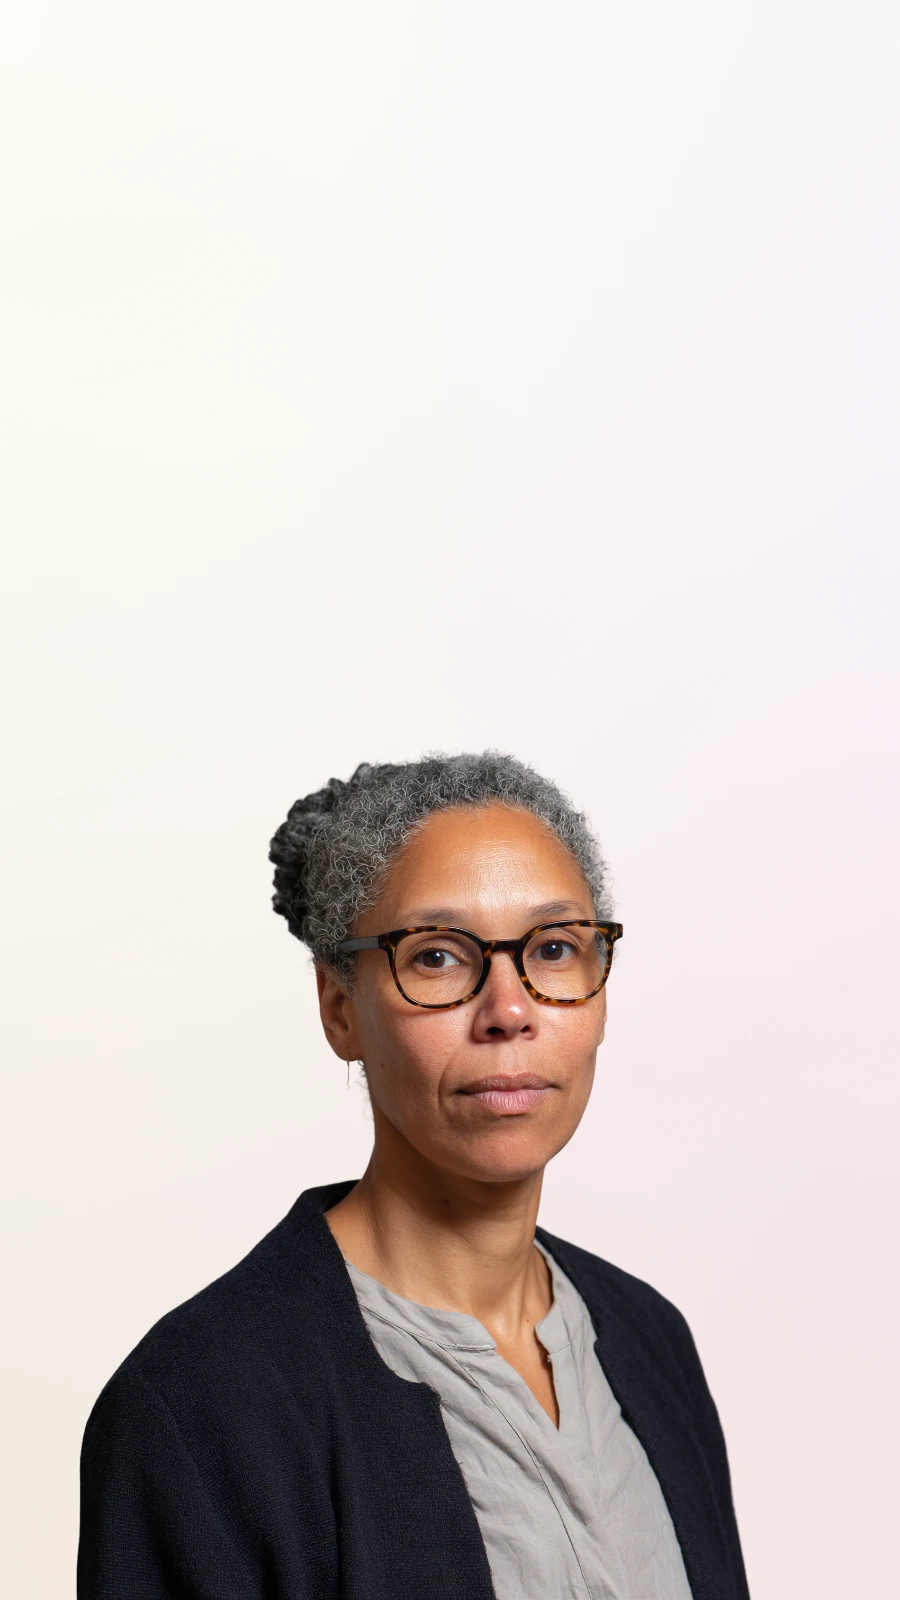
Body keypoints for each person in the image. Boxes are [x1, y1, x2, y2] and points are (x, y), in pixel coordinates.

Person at [78, 752, 750, 1600]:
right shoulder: (202, 1407)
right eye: (436, 957)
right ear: (339, 1009)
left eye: (551, 949)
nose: (509, 1010)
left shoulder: (651, 1342)